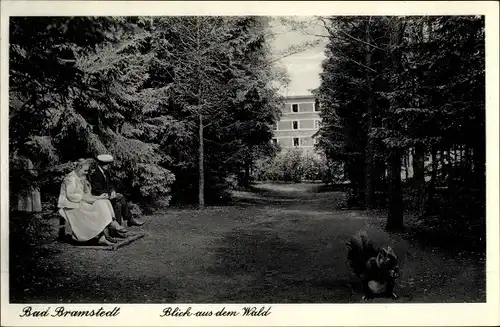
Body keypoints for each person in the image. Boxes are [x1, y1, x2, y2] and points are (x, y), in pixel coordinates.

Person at [57, 159, 125, 246]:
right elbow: (71, 196)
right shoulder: (70, 178)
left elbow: (87, 195)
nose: (86, 173)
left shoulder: (81, 178)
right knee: (94, 213)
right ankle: (102, 236)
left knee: (103, 202)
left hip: (80, 202)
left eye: (87, 171)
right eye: (85, 171)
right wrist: (88, 199)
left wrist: (98, 197)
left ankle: (112, 222)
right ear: (79, 168)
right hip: (70, 205)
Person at [88, 154, 145, 227]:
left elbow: (110, 184)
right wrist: (109, 194)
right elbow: (97, 189)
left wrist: (113, 191)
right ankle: (129, 219)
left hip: (107, 195)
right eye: (106, 164)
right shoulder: (94, 174)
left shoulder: (106, 172)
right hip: (99, 197)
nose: (108, 166)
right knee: (120, 197)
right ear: (101, 164)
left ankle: (118, 227)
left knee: (118, 204)